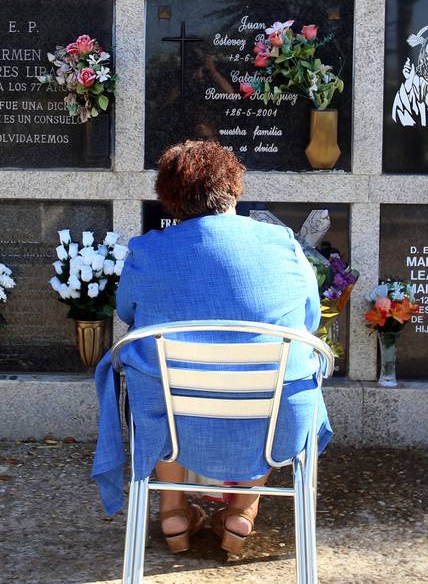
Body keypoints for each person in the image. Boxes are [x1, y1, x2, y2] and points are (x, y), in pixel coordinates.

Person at [92, 140, 331, 555]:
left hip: (175, 422)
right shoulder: (283, 245)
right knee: (282, 376)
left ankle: (173, 512)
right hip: (273, 422)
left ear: (170, 201)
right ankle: (243, 511)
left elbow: (127, 310)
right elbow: (308, 322)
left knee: (156, 378)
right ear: (234, 189)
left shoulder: (147, 252)